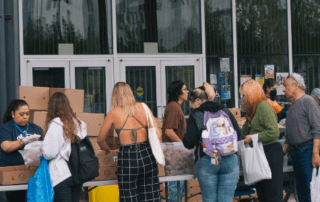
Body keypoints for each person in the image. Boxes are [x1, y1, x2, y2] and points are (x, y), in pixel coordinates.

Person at [98, 82, 161, 202]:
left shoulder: (113, 113)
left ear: (114, 96)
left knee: (129, 196)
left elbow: (100, 140)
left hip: (127, 157)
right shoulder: (143, 107)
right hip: (147, 154)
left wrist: (107, 150)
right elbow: (158, 134)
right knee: (151, 195)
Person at [183, 82, 241, 202]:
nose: (191, 106)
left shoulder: (197, 114)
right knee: (226, 199)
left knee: (209, 199)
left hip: (207, 160)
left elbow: (189, 141)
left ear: (198, 100)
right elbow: (238, 134)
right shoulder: (225, 111)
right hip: (230, 159)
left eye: (191, 102)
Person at [240, 79, 283, 202]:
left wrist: (254, 137)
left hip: (270, 152)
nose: (243, 99)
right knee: (263, 195)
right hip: (259, 153)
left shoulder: (264, 107)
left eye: (244, 95)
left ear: (252, 94)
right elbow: (244, 133)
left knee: (272, 195)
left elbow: (273, 132)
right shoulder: (253, 110)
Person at [42, 92, 87, 202]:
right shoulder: (80, 123)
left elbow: (49, 153)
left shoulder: (56, 125)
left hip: (61, 174)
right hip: (78, 173)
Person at [282, 73, 320, 202]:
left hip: (307, 152)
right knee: (302, 192)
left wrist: (315, 153)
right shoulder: (293, 106)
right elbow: (290, 134)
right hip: (296, 153)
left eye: (286, 86)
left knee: (310, 191)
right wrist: (281, 153)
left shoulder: (308, 101)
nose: (283, 89)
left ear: (296, 86)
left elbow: (317, 129)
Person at [0, 99, 42, 202]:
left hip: (33, 174)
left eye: (27, 114)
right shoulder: (6, 128)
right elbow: (6, 147)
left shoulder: (36, 128)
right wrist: (23, 140)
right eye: (21, 114)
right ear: (13, 114)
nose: (25, 117)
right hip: (14, 175)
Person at [162, 80, 189, 202]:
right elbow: (168, 131)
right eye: (185, 89)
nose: (187, 91)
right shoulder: (173, 107)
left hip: (176, 153)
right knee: (176, 188)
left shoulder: (176, 107)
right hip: (174, 153)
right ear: (178, 93)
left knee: (179, 188)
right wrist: (182, 145)